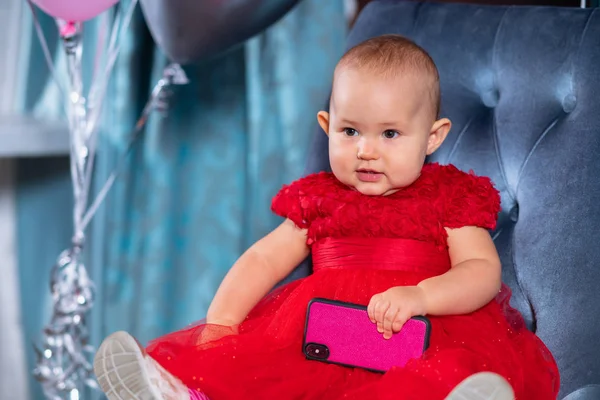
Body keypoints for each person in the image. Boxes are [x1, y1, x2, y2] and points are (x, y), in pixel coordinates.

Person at [93, 34, 559, 400]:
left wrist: (421, 295)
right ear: (326, 127)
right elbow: (262, 260)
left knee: (434, 375)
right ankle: (184, 392)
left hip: (419, 331)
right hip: (317, 340)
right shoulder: (319, 200)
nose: (366, 150)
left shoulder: (449, 197)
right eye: (350, 130)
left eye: (391, 133)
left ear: (432, 137)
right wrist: (221, 325)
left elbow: (481, 271)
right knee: (259, 377)